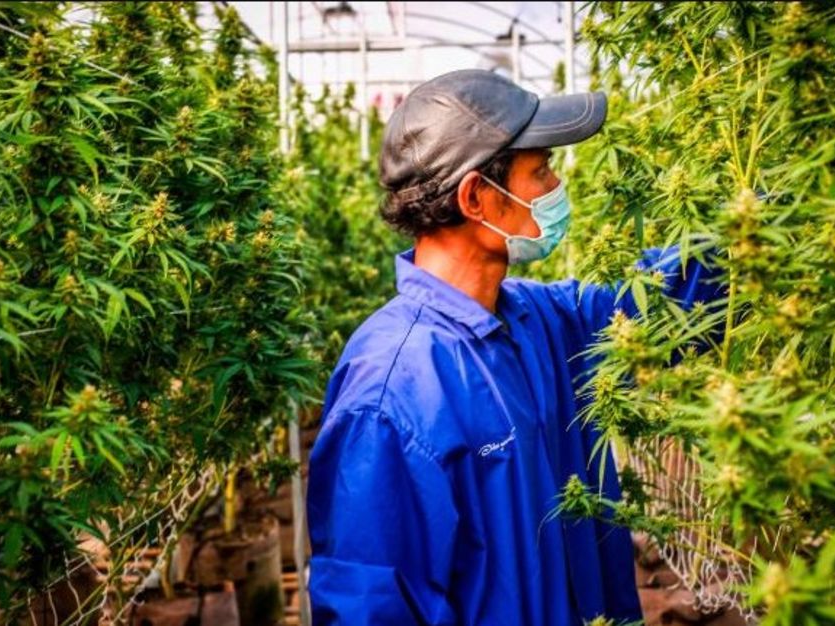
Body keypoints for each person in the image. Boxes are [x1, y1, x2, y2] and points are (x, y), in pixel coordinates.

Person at [307, 69, 724, 625]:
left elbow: (660, 299)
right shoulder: (391, 394)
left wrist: (759, 229)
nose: (555, 188)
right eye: (541, 170)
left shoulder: (541, 321)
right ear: (477, 196)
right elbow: (371, 608)